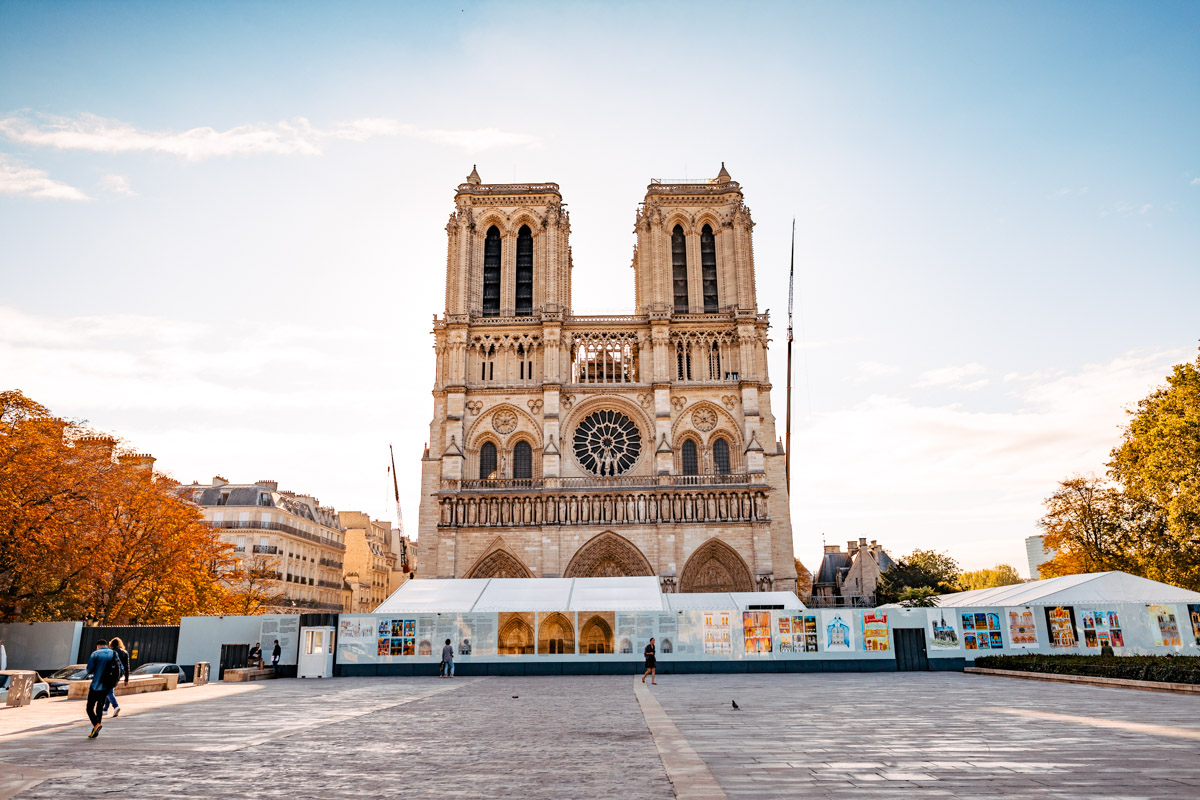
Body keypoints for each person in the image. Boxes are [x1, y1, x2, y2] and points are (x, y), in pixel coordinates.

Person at [85, 639, 123, 739]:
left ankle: (96, 724)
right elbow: (121, 669)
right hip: (107, 686)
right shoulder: (114, 653)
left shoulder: (95, 654)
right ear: (106, 645)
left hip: (95, 685)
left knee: (89, 708)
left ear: (98, 646)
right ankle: (95, 731)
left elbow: (89, 669)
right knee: (99, 707)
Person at [101, 637, 131, 718]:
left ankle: (115, 706)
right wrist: (126, 678)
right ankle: (105, 709)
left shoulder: (111, 652)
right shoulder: (125, 652)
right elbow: (127, 666)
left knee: (109, 691)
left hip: (110, 674)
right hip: (119, 674)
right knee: (109, 690)